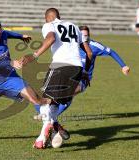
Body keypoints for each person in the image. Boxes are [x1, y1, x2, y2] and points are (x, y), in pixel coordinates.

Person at [34, 25, 130, 140]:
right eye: (82, 35)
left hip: (82, 79)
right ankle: (53, 123)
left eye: (86, 35)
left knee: (66, 95)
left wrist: (123, 66)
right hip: (66, 75)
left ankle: (49, 121)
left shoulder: (94, 46)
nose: (84, 37)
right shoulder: (71, 45)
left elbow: (111, 52)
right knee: (45, 98)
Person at [20, 8, 93, 149]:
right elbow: (89, 53)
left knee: (43, 101)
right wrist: (84, 72)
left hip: (60, 66)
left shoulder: (49, 25)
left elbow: (51, 38)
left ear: (47, 18)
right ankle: (51, 128)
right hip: (77, 68)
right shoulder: (74, 26)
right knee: (54, 102)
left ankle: (47, 130)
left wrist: (34, 55)